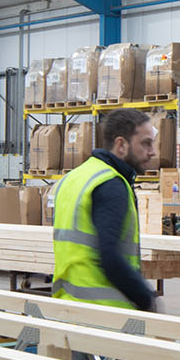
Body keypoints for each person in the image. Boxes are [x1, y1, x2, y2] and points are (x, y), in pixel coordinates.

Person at [50, 108, 157, 309]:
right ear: (121, 145)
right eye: (145, 143)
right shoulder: (111, 185)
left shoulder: (75, 177)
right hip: (105, 311)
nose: (152, 152)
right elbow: (110, 258)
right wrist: (146, 299)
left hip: (68, 304)